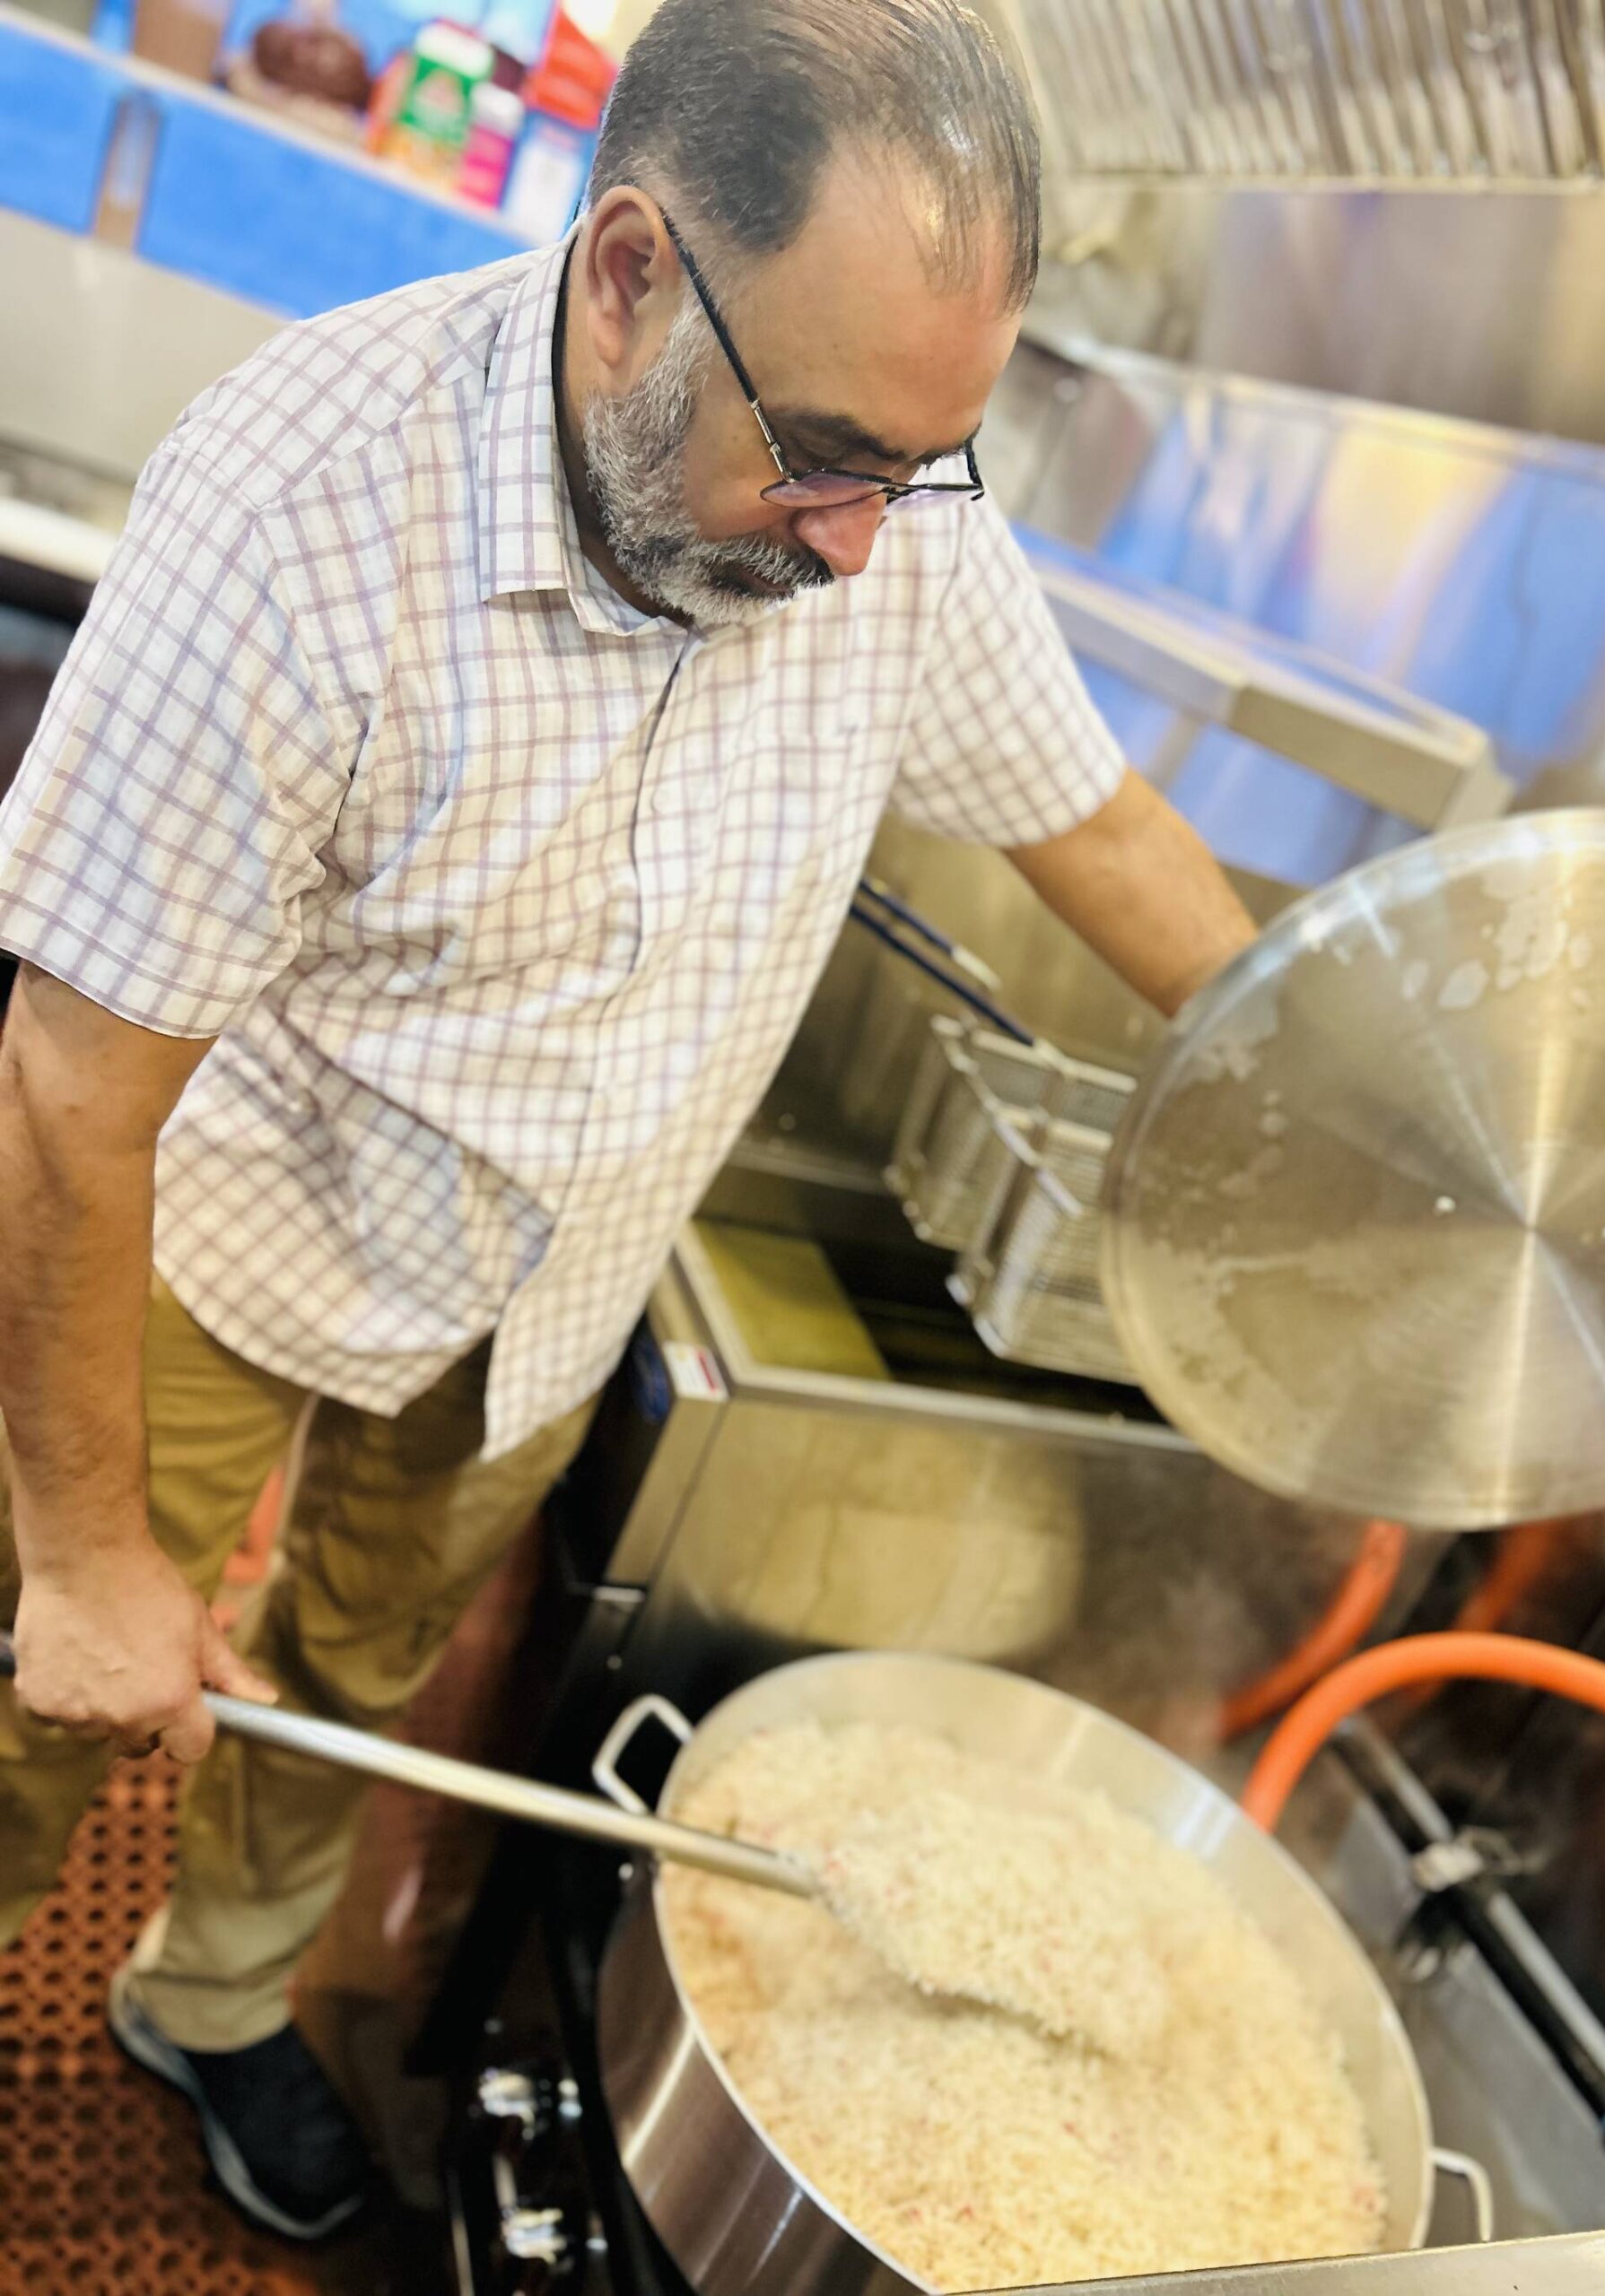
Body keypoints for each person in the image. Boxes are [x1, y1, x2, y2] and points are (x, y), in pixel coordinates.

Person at [0, 0, 1256, 2243]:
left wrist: (1353, 1093)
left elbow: (1106, 826)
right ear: (629, 273)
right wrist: (96, 1560)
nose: (873, 547)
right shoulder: (303, 508)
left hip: (548, 1286)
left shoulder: (886, 506)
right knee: (40, 1677)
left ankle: (214, 1995)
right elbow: (74, 1094)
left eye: (924, 470)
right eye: (834, 458)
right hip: (232, 1222)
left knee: (343, 1671)